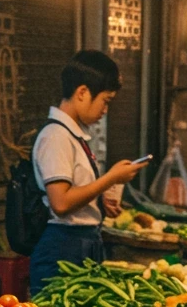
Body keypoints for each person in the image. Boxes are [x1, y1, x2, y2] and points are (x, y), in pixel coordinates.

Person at [28, 49, 142, 294]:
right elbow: (61, 202)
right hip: (63, 248)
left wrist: (99, 202)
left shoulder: (72, 135)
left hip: (81, 244)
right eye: (106, 101)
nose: (105, 110)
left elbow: (75, 194)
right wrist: (111, 178)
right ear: (82, 93)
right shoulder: (56, 136)